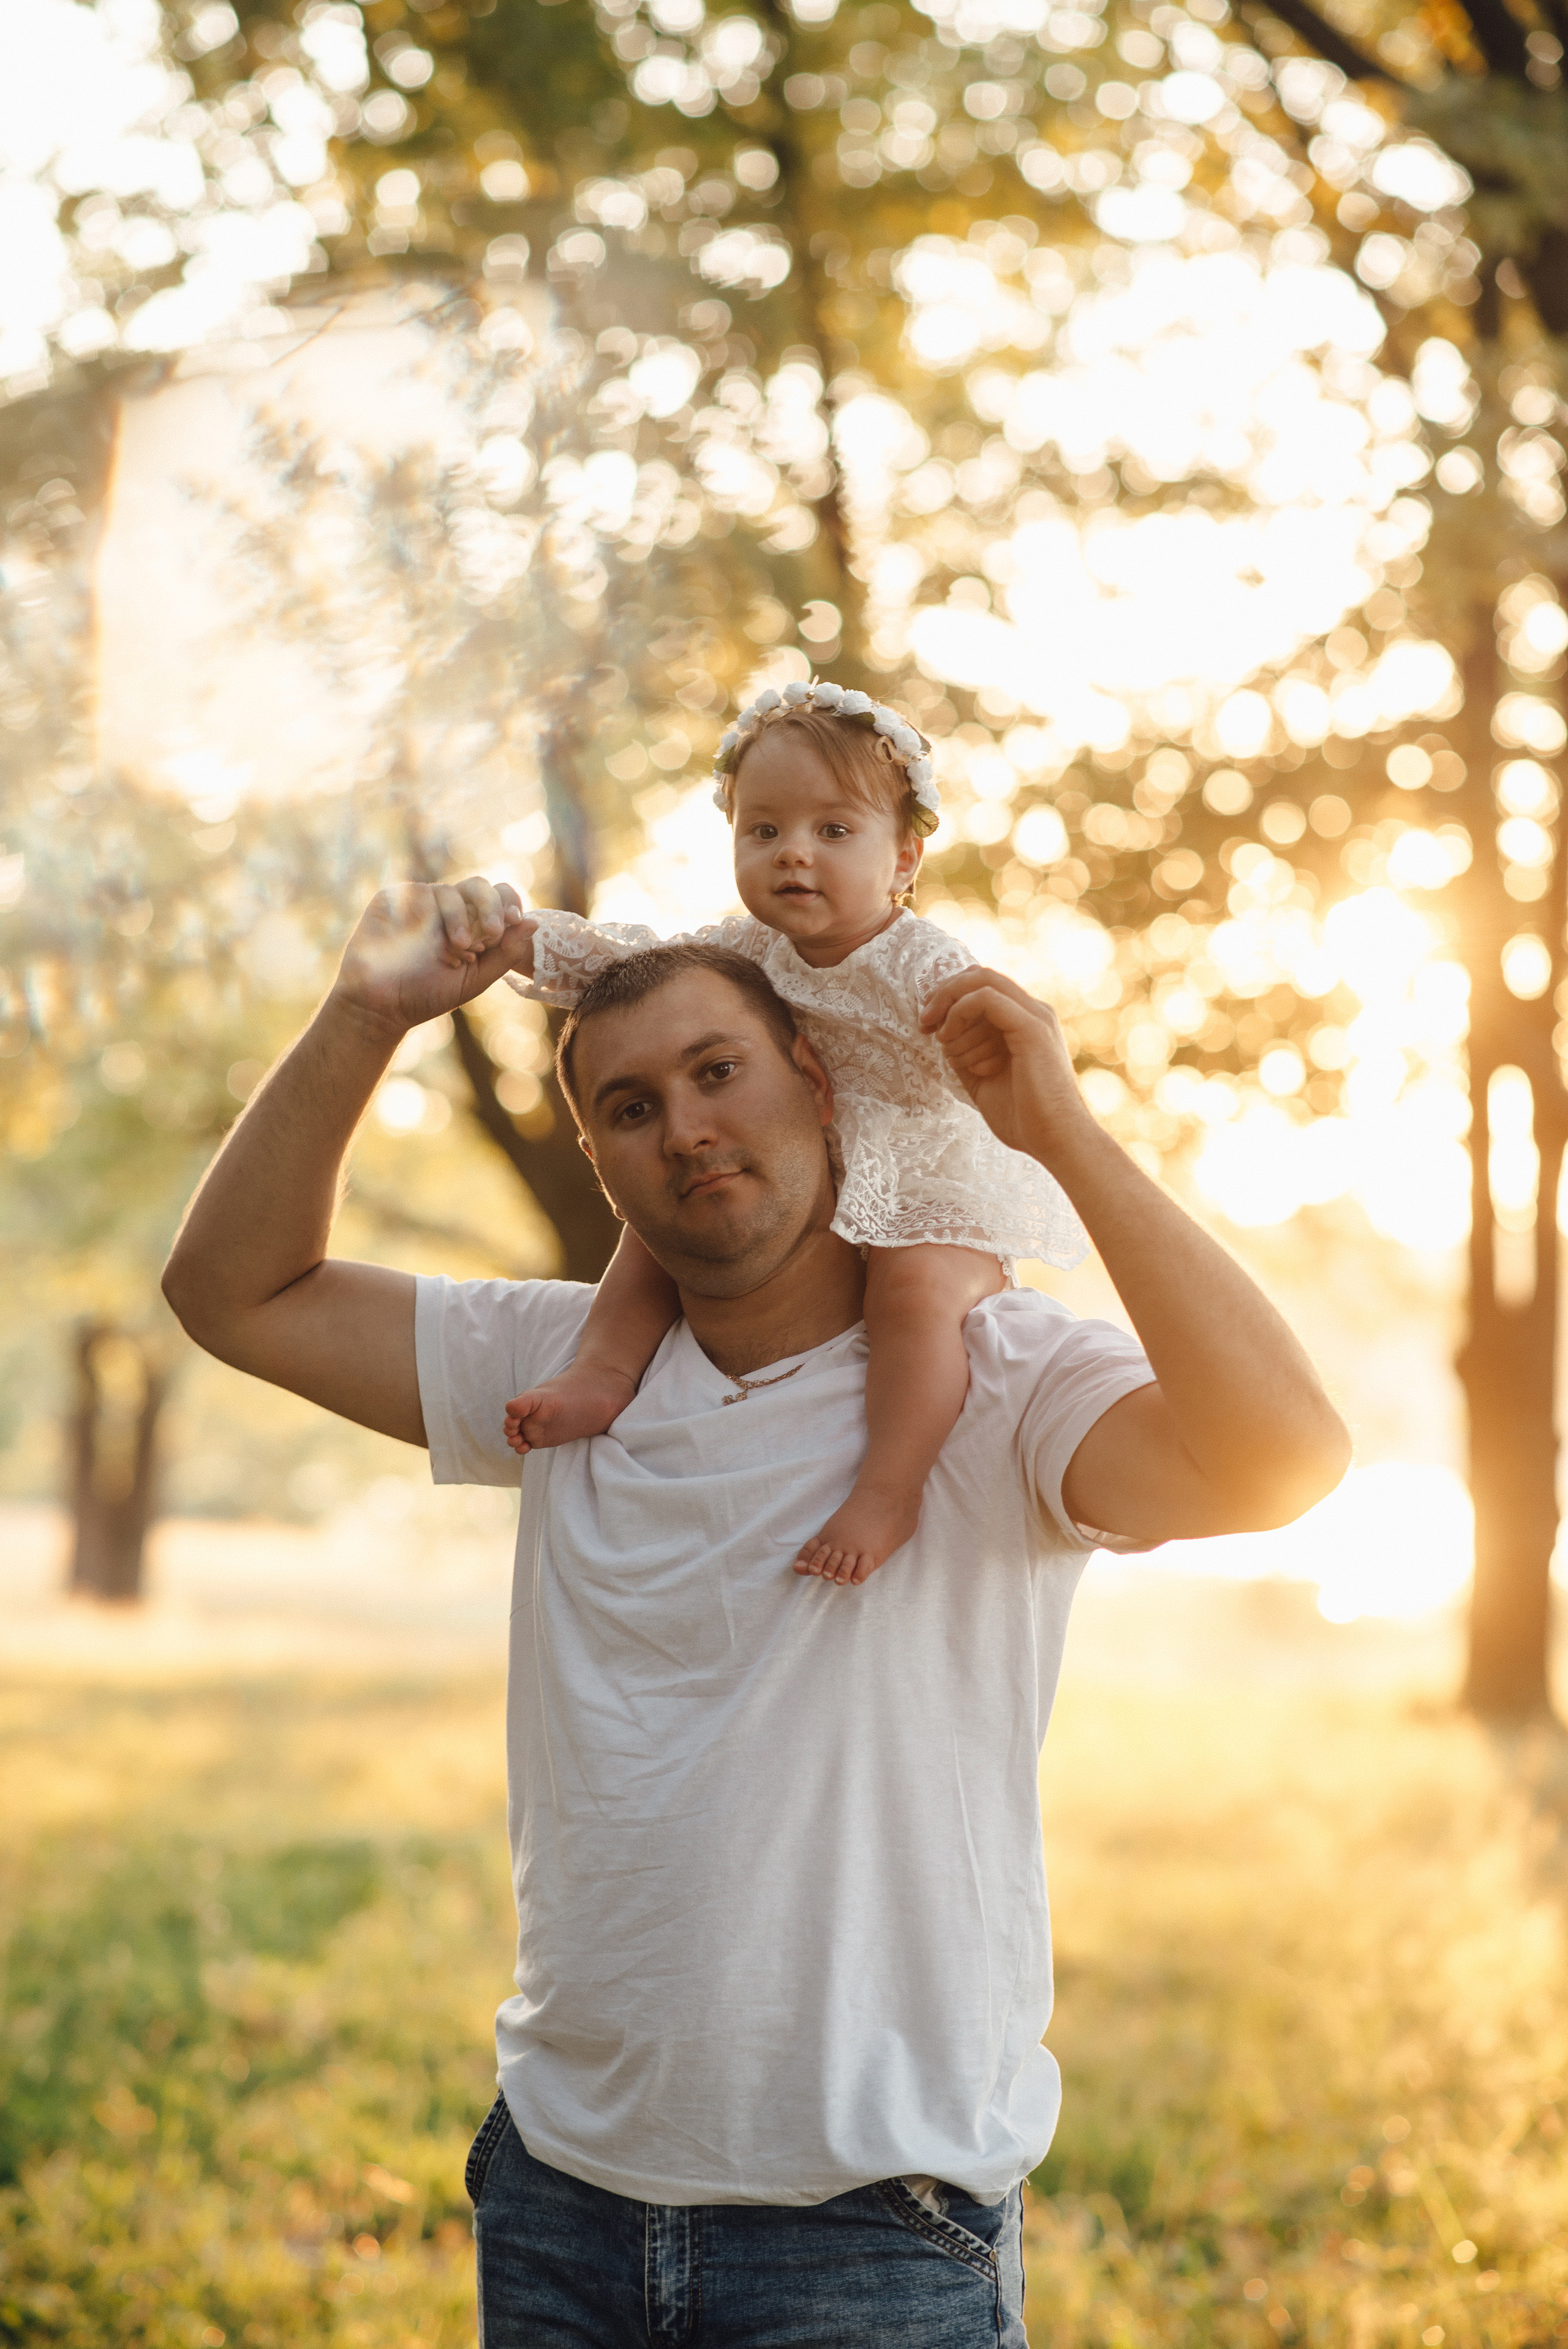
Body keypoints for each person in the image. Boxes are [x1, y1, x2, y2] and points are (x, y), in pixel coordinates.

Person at [161, 877, 1349, 2349]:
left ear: (817, 1076)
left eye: (715, 1071)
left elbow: (1287, 1458)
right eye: (631, 1106)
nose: (686, 1129)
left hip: (870, 2239)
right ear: (601, 1160)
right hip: (559, 2198)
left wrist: (1063, 1134)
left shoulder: (1002, 1382)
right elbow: (233, 1291)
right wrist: (363, 1015)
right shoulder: (552, 1373)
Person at [498, 676, 1090, 1589]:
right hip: (813, 1161)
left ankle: (889, 1490)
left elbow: (990, 1042)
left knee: (912, 1293)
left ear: (904, 857)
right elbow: (630, 965)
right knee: (656, 1235)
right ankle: (604, 1372)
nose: (793, 855)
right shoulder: (747, 951)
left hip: (932, 1177)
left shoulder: (920, 960)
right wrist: (525, 942)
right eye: (763, 830)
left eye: (833, 830)